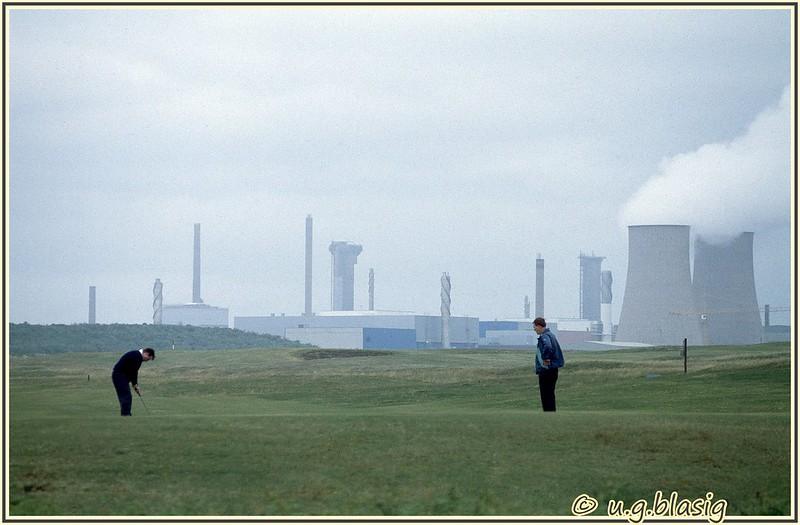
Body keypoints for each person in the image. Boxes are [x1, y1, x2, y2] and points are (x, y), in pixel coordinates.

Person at [112, 347, 155, 416]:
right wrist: (135, 385)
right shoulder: (137, 356)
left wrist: (135, 385)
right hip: (119, 376)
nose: (146, 361)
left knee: (126, 395)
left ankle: (126, 413)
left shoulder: (137, 356)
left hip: (121, 376)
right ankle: (126, 414)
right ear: (146, 354)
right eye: (148, 359)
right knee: (126, 395)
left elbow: (134, 372)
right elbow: (133, 372)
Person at [533, 317, 564, 412]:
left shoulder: (544, 336)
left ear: (539, 326)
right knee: (550, 393)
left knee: (545, 393)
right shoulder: (551, 335)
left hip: (546, 369)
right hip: (553, 369)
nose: (534, 329)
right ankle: (551, 413)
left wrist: (546, 358)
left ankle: (547, 413)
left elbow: (548, 346)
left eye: (535, 327)